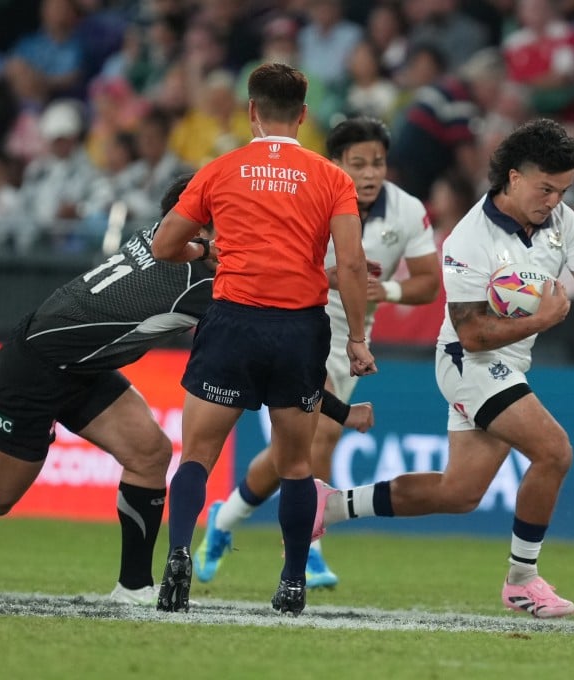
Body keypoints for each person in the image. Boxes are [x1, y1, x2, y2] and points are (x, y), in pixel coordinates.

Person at [313, 118, 574, 618]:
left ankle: (329, 506)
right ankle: (522, 579)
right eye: (546, 188)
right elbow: (473, 333)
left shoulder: (562, 221)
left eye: (563, 190)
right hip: (468, 362)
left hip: (509, 363)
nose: (554, 200)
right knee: (554, 452)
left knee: (460, 493)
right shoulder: (467, 240)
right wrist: (542, 318)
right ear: (514, 178)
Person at [0, 174, 371, 607]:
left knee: (150, 453)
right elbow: (271, 336)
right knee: (4, 499)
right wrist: (343, 412)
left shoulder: (155, 239)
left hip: (79, 366)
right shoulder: (196, 280)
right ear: (199, 229)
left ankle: (134, 587)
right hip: (35, 370)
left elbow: (259, 283)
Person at [150, 62, 375, 616]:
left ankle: (179, 557)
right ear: (302, 116)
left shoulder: (220, 169)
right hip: (298, 327)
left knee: (198, 456)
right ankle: (293, 581)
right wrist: (358, 339)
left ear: (251, 111)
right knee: (296, 463)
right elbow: (350, 263)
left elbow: (162, 246)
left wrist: (206, 251)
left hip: (232, 321)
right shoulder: (332, 177)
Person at [194, 116, 440, 588]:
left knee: (293, 448)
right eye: (358, 164)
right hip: (300, 324)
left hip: (352, 338)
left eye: (378, 163)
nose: (369, 174)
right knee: (323, 435)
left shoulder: (408, 210)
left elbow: (428, 284)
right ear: (336, 164)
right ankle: (309, 549)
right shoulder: (310, 192)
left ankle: (225, 519)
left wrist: (382, 289)